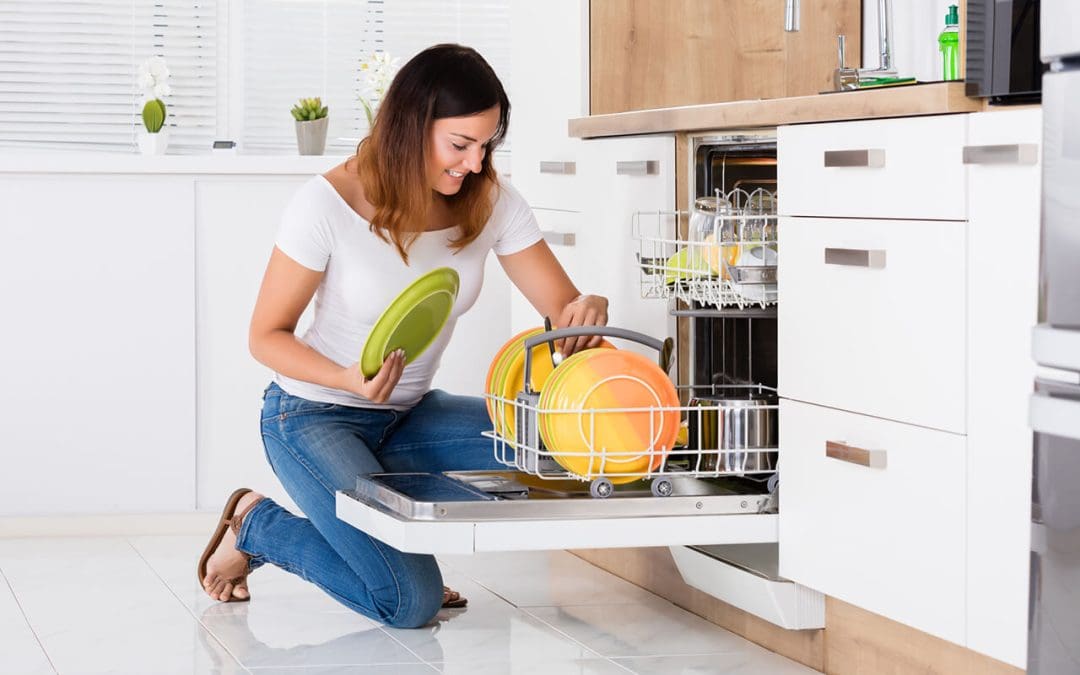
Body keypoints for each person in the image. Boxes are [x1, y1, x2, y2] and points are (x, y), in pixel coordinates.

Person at [195, 44, 609, 629]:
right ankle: (258, 525)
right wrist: (346, 379)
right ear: (411, 126)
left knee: (561, 442)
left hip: (410, 418)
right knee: (408, 603)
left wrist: (585, 308)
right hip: (314, 417)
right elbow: (265, 336)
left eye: (486, 145)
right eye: (460, 144)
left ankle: (380, 539)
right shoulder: (326, 204)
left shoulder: (491, 202)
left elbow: (563, 310)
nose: (473, 163)